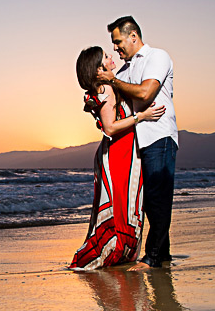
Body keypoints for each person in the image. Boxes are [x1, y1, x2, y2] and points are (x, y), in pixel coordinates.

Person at [69, 46, 165, 269]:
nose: (111, 58)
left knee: (125, 201)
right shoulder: (105, 89)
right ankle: (116, 249)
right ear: (98, 68)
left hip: (122, 151)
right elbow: (110, 128)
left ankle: (122, 250)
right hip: (118, 153)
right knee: (121, 201)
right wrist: (141, 116)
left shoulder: (109, 86)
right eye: (105, 56)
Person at [98, 16, 176, 270]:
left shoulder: (157, 56)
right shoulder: (122, 71)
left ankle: (152, 257)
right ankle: (162, 253)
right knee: (147, 200)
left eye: (118, 42)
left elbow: (145, 92)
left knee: (157, 197)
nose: (115, 48)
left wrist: (112, 81)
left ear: (134, 36)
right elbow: (111, 99)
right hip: (134, 144)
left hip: (158, 135)